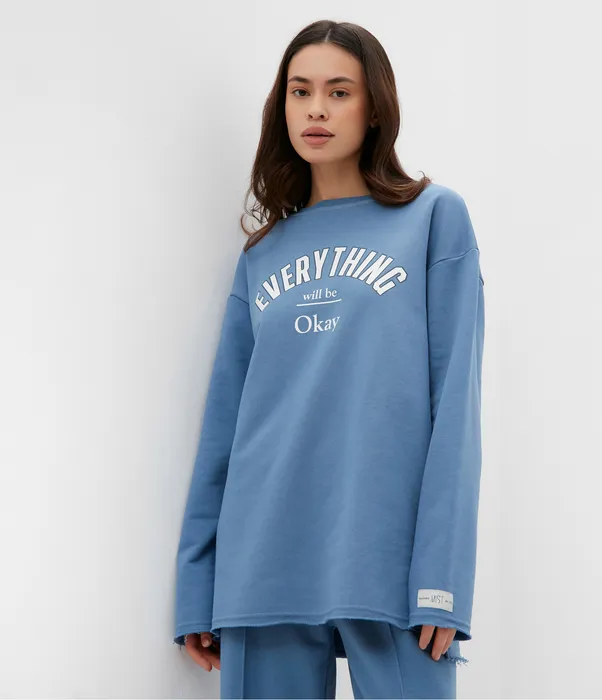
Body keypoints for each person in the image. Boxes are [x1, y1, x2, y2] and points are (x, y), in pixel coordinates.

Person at [172, 19, 486, 700]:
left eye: (339, 92)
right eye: (300, 91)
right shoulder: (261, 255)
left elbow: (455, 405)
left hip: (386, 556)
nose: (316, 109)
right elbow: (226, 429)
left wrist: (442, 579)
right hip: (262, 558)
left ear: (374, 108)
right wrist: (198, 587)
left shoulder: (433, 219)